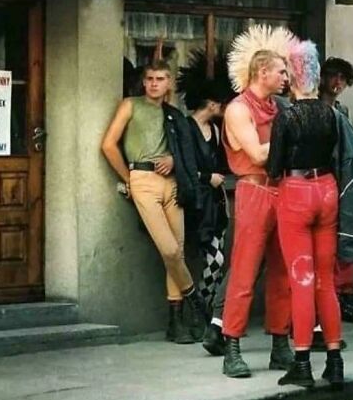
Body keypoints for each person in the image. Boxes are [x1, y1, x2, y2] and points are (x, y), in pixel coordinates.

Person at [101, 60, 208, 344]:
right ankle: (195, 300)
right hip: (143, 179)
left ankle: (176, 322)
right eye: (149, 78)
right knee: (170, 249)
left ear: (169, 82)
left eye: (160, 78)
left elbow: (186, 152)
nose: (154, 83)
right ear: (143, 81)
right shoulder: (130, 105)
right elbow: (108, 145)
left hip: (172, 183)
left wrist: (174, 159)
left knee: (179, 251)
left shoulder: (173, 114)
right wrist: (129, 177)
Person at [267, 39, 344, 389]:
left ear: (295, 77)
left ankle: (301, 361)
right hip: (327, 189)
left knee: (302, 280)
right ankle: (334, 359)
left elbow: (273, 167)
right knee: (327, 280)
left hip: (297, 192)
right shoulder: (331, 113)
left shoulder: (288, 115)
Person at [220, 25, 295, 379]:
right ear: (262, 72)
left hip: (282, 190)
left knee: (283, 272)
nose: (286, 76)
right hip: (253, 191)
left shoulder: (277, 107)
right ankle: (231, 345)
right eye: (281, 70)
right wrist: (291, 134)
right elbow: (257, 154)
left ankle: (280, 343)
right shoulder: (238, 109)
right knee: (245, 270)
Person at [176, 56, 236, 355]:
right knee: (214, 260)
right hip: (197, 204)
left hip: (216, 204)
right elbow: (182, 165)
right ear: (212, 103)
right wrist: (205, 176)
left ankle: (209, 314)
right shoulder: (186, 127)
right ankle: (202, 313)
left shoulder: (215, 130)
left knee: (217, 258)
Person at [318, 56, 353, 325]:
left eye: (342, 78)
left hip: (343, 182)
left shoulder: (342, 110)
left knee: (348, 238)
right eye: (333, 76)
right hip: (320, 181)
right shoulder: (315, 108)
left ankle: (345, 295)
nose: (337, 82)